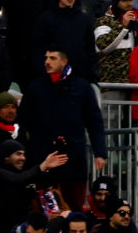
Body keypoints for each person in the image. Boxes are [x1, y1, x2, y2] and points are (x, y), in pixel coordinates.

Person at [21, 46, 107, 210]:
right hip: (43, 158)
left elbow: (94, 121)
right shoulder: (35, 87)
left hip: (73, 159)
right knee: (45, 209)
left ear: (64, 61)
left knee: (73, 208)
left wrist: (100, 152)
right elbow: (23, 121)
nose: (47, 62)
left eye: (53, 58)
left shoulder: (82, 87)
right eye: (46, 58)